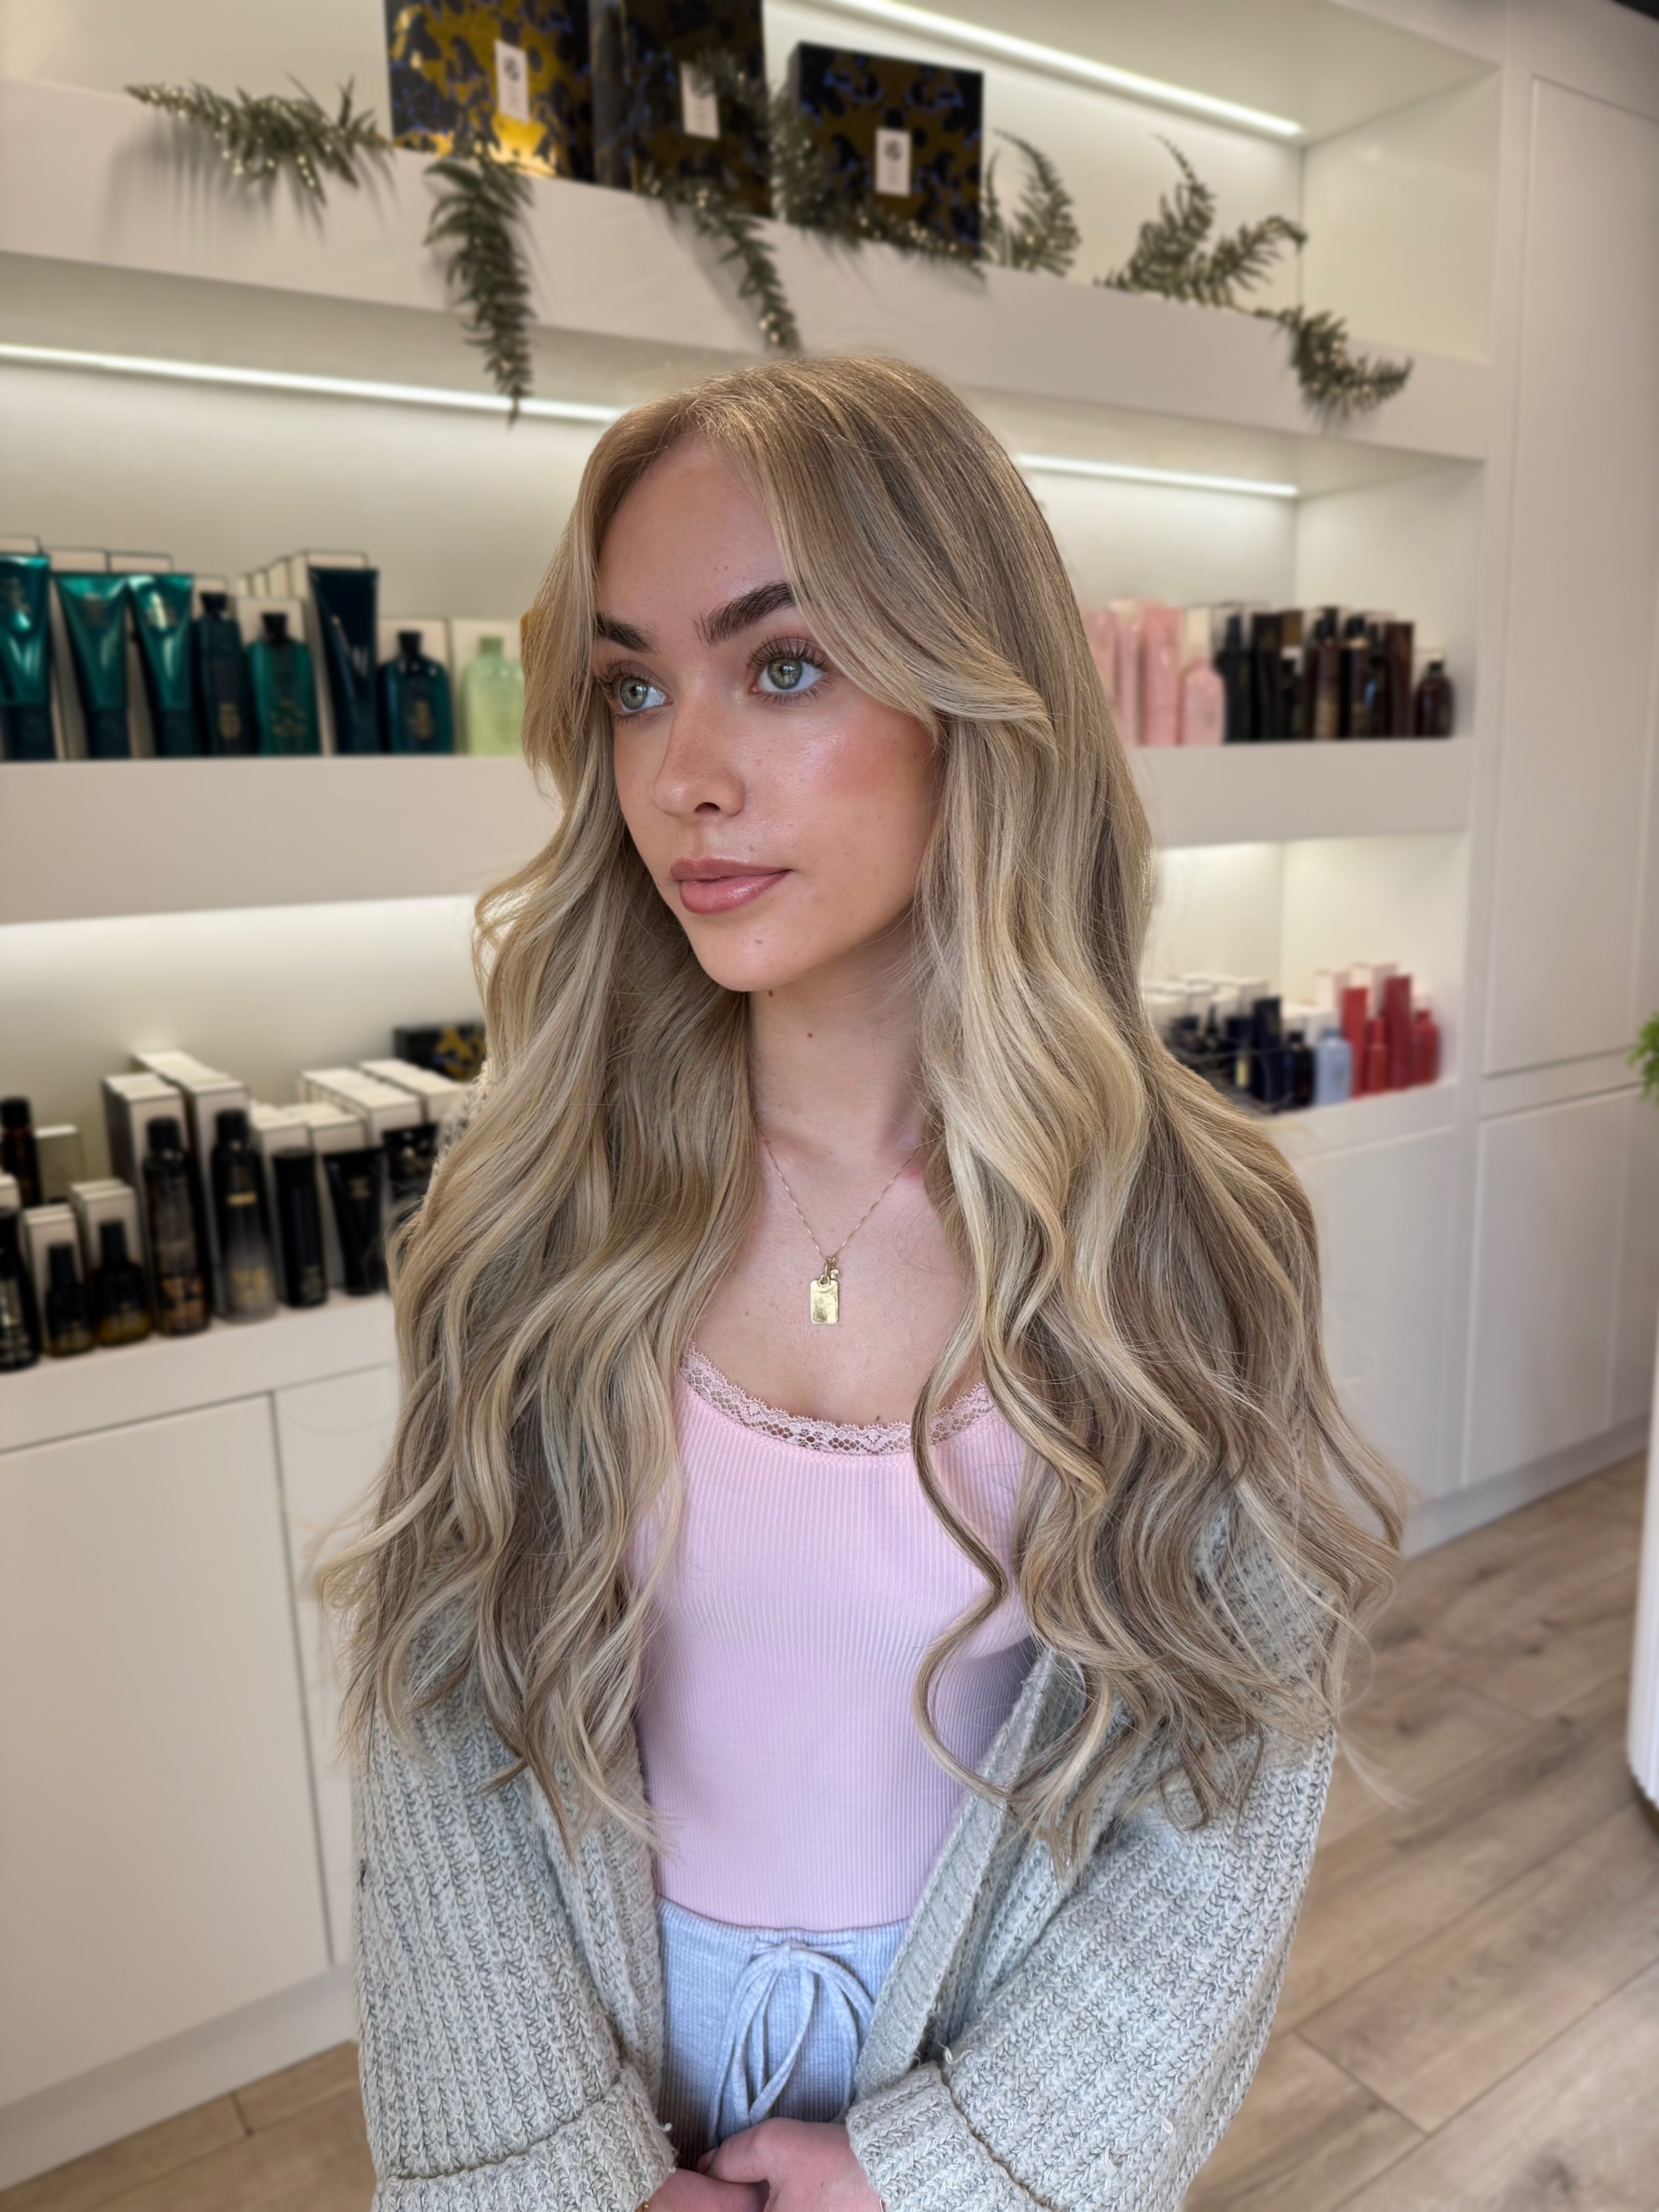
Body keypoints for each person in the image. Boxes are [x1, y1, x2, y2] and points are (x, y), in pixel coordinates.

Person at [324, 354, 1401, 2212]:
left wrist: (957, 2165)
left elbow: (1230, 1793)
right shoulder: (530, 1210)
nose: (686, 772)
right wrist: (562, 2175)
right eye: (637, 684)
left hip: (981, 2082)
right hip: (592, 2084)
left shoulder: (1179, 1237)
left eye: (786, 664)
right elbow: (443, 1728)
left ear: (972, 688)